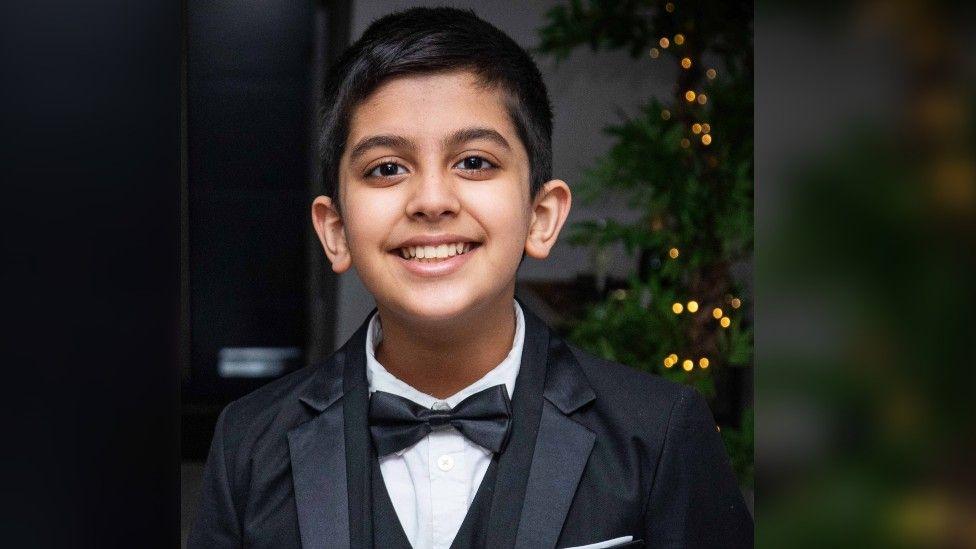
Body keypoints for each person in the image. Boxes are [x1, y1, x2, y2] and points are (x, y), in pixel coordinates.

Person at [188, 7, 753, 549]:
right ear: (335, 229)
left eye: (475, 162)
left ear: (540, 216)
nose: (432, 200)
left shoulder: (657, 434)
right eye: (387, 169)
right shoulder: (249, 442)